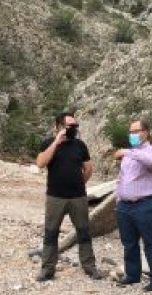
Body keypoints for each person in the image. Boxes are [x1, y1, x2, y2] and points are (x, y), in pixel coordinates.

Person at [35, 112, 102, 281]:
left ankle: (89, 266)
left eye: (75, 126)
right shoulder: (48, 143)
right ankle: (47, 269)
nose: (74, 129)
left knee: (84, 232)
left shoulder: (80, 145)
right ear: (58, 127)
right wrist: (57, 141)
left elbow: (88, 169)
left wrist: (79, 184)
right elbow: (41, 163)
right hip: (55, 197)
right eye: (70, 126)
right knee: (51, 233)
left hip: (78, 197)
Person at [114, 119, 152, 292]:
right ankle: (133, 275)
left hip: (146, 204)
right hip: (125, 206)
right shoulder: (128, 156)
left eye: (136, 131)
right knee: (129, 243)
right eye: (131, 131)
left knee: (151, 243)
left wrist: (128, 152)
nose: (132, 135)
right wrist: (118, 199)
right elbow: (122, 178)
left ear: (146, 132)